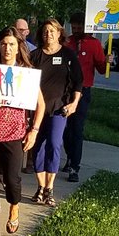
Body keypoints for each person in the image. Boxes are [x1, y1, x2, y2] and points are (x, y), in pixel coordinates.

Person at [0, 27, 45, 236]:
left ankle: (14, 207)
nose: (7, 48)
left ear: (18, 48)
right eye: (3, 44)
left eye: (11, 44)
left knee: (12, 179)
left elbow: (40, 105)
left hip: (15, 133)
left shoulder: (25, 72)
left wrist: (34, 131)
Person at [30, 18, 83, 207]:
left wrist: (74, 103)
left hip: (59, 109)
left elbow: (78, 81)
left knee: (54, 144)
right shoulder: (34, 56)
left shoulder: (68, 55)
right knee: (37, 149)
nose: (49, 34)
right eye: (45, 31)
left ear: (60, 33)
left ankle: (49, 188)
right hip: (37, 110)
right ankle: (40, 187)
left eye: (52, 31)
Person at [63, 11, 107, 182]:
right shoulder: (67, 43)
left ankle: (75, 167)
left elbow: (102, 69)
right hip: (65, 89)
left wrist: (107, 60)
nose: (76, 29)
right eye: (74, 26)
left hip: (84, 90)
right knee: (64, 129)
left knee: (77, 130)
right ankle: (70, 156)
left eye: (79, 26)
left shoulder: (94, 44)